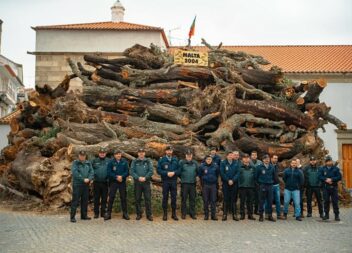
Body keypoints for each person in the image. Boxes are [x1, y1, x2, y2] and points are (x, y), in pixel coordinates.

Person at [105, 150, 130, 221]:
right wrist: (116, 177)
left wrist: (122, 177)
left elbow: (127, 172)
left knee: (123, 197)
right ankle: (108, 213)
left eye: (119, 154)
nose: (118, 155)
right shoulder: (111, 162)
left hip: (122, 182)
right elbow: (109, 172)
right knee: (111, 197)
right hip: (113, 182)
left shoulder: (124, 162)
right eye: (117, 154)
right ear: (114, 155)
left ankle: (125, 213)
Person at [157, 146, 180, 221]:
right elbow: (158, 170)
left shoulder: (176, 159)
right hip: (165, 181)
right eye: (168, 150)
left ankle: (174, 214)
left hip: (173, 181)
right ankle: (165, 214)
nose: (169, 152)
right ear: (166, 151)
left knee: (174, 198)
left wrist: (174, 172)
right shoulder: (162, 160)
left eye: (170, 150)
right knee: (165, 197)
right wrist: (166, 173)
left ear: (172, 151)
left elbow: (179, 169)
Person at [70, 150, 94, 223]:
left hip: (86, 185)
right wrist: (83, 179)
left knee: (85, 200)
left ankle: (84, 216)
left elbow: (91, 172)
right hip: (77, 184)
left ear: (85, 156)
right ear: (79, 156)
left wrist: (89, 179)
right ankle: (72, 217)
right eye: (81, 155)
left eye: (83, 156)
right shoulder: (75, 163)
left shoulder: (88, 163)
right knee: (75, 200)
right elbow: (75, 173)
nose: (82, 157)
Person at [130, 148, 154, 221]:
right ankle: (139, 214)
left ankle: (149, 215)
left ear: (144, 153)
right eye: (140, 152)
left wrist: (145, 178)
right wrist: (138, 177)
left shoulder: (148, 161)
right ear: (138, 154)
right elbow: (131, 171)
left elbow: (151, 171)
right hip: (138, 183)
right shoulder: (134, 161)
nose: (141, 153)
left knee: (148, 199)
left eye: (142, 152)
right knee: (137, 199)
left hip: (146, 183)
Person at [319, 155, 342, 221]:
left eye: (330, 161)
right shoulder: (322, 168)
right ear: (325, 162)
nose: (329, 162)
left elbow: (339, 177)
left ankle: (336, 215)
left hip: (334, 188)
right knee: (326, 201)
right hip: (325, 188)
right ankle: (326, 215)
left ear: (332, 161)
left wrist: (332, 179)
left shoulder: (336, 168)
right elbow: (319, 176)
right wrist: (326, 179)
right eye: (328, 161)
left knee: (335, 202)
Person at [255, 154, 276, 222]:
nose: (267, 160)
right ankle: (261, 216)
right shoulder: (259, 167)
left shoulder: (272, 167)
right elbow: (256, 177)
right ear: (263, 160)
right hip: (262, 185)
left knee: (270, 201)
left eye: (268, 159)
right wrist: (259, 185)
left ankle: (269, 215)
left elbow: (274, 176)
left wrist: (271, 182)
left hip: (270, 186)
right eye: (265, 159)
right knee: (261, 201)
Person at [179, 149, 199, 220]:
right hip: (184, 184)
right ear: (185, 156)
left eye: (190, 155)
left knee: (192, 199)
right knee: (184, 199)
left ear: (192, 156)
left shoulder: (195, 163)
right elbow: (179, 172)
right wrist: (181, 178)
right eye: (188, 155)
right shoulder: (182, 162)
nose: (189, 156)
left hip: (192, 184)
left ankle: (192, 213)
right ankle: (183, 214)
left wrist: (197, 177)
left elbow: (198, 172)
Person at [235, 153, 256, 220]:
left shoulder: (253, 167)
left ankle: (250, 215)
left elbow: (255, 176)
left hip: (251, 187)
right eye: (244, 158)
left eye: (247, 158)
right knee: (242, 202)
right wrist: (239, 184)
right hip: (242, 187)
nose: (246, 159)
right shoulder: (239, 167)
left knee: (250, 202)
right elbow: (237, 176)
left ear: (249, 159)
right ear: (242, 159)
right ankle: (242, 215)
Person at [220, 151, 239, 221]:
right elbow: (222, 173)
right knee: (225, 198)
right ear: (227, 156)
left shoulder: (236, 163)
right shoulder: (223, 163)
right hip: (226, 183)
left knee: (234, 199)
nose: (231, 156)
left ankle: (234, 215)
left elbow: (238, 173)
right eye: (229, 155)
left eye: (232, 155)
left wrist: (233, 180)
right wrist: (228, 180)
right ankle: (224, 215)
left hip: (234, 183)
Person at [199, 155, 219, 220]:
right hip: (205, 185)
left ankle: (213, 215)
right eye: (207, 159)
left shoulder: (215, 166)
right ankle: (206, 215)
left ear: (211, 160)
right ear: (205, 160)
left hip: (213, 185)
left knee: (213, 200)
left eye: (210, 159)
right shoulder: (202, 166)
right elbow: (200, 175)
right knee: (206, 200)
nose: (208, 160)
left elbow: (217, 174)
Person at [91, 147, 109, 219]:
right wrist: (92, 177)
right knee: (96, 198)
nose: (102, 154)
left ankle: (103, 213)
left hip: (105, 183)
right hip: (96, 182)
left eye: (103, 153)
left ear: (105, 154)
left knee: (104, 198)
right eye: (101, 153)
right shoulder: (94, 161)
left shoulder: (109, 161)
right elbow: (90, 169)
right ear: (99, 153)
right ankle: (96, 213)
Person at [265, 154, 282, 219]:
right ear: (271, 159)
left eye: (276, 158)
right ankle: (267, 214)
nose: (276, 159)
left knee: (278, 200)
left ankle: (279, 214)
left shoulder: (277, 165)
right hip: (270, 185)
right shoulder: (268, 165)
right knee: (269, 200)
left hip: (277, 185)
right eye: (274, 158)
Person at [250, 150, 262, 215]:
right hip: (250, 181)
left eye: (255, 155)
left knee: (257, 196)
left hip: (258, 181)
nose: (254, 156)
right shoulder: (248, 162)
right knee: (251, 197)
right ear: (251, 156)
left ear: (257, 156)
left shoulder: (260, 162)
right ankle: (250, 210)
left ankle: (256, 210)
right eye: (253, 155)